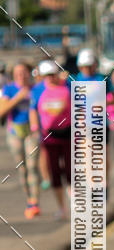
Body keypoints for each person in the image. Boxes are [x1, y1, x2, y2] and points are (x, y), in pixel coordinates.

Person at [29, 59, 71, 219]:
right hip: (49, 136)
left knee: (70, 170)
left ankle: (75, 204)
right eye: (46, 75)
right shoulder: (38, 90)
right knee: (55, 172)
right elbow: (33, 111)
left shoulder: (66, 87)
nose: (50, 78)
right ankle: (62, 208)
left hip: (67, 132)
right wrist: (34, 128)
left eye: (52, 75)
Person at [0, 61, 41, 218]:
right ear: (13, 75)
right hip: (15, 132)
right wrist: (18, 98)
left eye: (23, 72)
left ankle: (35, 202)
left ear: (28, 73)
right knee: (22, 168)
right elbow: (1, 111)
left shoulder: (36, 88)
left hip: (32, 132)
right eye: (17, 73)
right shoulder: (8, 89)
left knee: (32, 166)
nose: (21, 75)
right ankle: (29, 199)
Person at [75, 48, 113, 196]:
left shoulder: (102, 79)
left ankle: (104, 183)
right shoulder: (74, 80)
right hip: (83, 124)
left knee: (101, 156)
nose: (87, 69)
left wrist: (102, 103)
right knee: (87, 156)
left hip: (101, 124)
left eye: (90, 65)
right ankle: (93, 186)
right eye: (84, 66)